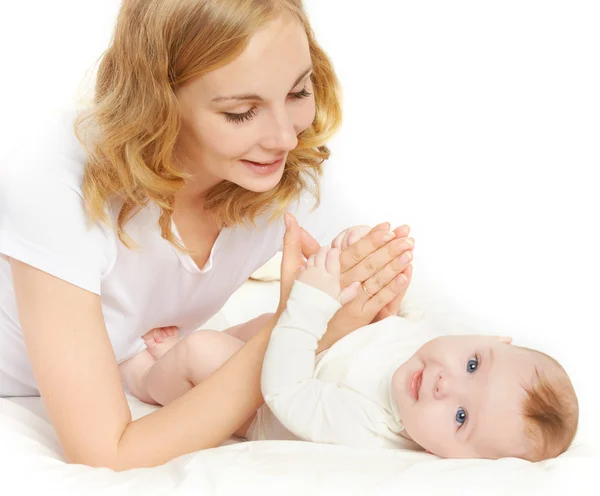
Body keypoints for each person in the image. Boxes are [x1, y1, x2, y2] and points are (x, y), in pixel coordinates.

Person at [0, 0, 415, 470]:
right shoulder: (57, 181)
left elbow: (357, 320)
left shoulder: (284, 173)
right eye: (241, 112)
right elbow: (107, 452)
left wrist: (353, 303)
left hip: (129, 360)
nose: (284, 136)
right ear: (156, 103)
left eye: (299, 92)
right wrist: (300, 323)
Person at [146, 243, 578, 462]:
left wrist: (312, 303)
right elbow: (403, 300)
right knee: (266, 328)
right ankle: (192, 348)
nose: (446, 384)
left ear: (454, 458)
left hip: (265, 401)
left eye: (461, 417)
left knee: (203, 352)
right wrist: (367, 257)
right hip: (310, 351)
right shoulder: (435, 342)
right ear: (492, 340)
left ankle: (145, 377)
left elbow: (288, 391)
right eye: (472, 365)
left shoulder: (373, 426)